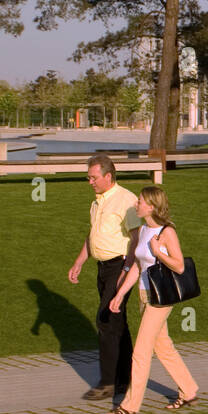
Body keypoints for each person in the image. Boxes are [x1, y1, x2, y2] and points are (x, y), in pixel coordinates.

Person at [105, 185, 199, 414]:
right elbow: (138, 266)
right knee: (163, 346)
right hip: (144, 295)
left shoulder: (167, 232)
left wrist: (159, 252)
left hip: (161, 298)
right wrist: (120, 294)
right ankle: (189, 390)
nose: (136, 204)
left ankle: (130, 406)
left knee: (140, 351)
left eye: (140, 201)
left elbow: (179, 265)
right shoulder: (144, 229)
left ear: (153, 206)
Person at [68, 154, 140, 400]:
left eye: (93, 177)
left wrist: (126, 271)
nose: (90, 182)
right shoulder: (97, 202)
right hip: (102, 268)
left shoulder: (126, 200)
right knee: (118, 323)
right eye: (88, 177)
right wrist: (80, 261)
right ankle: (127, 379)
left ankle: (108, 383)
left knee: (106, 320)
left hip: (120, 266)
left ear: (108, 176)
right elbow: (93, 236)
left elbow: (137, 239)